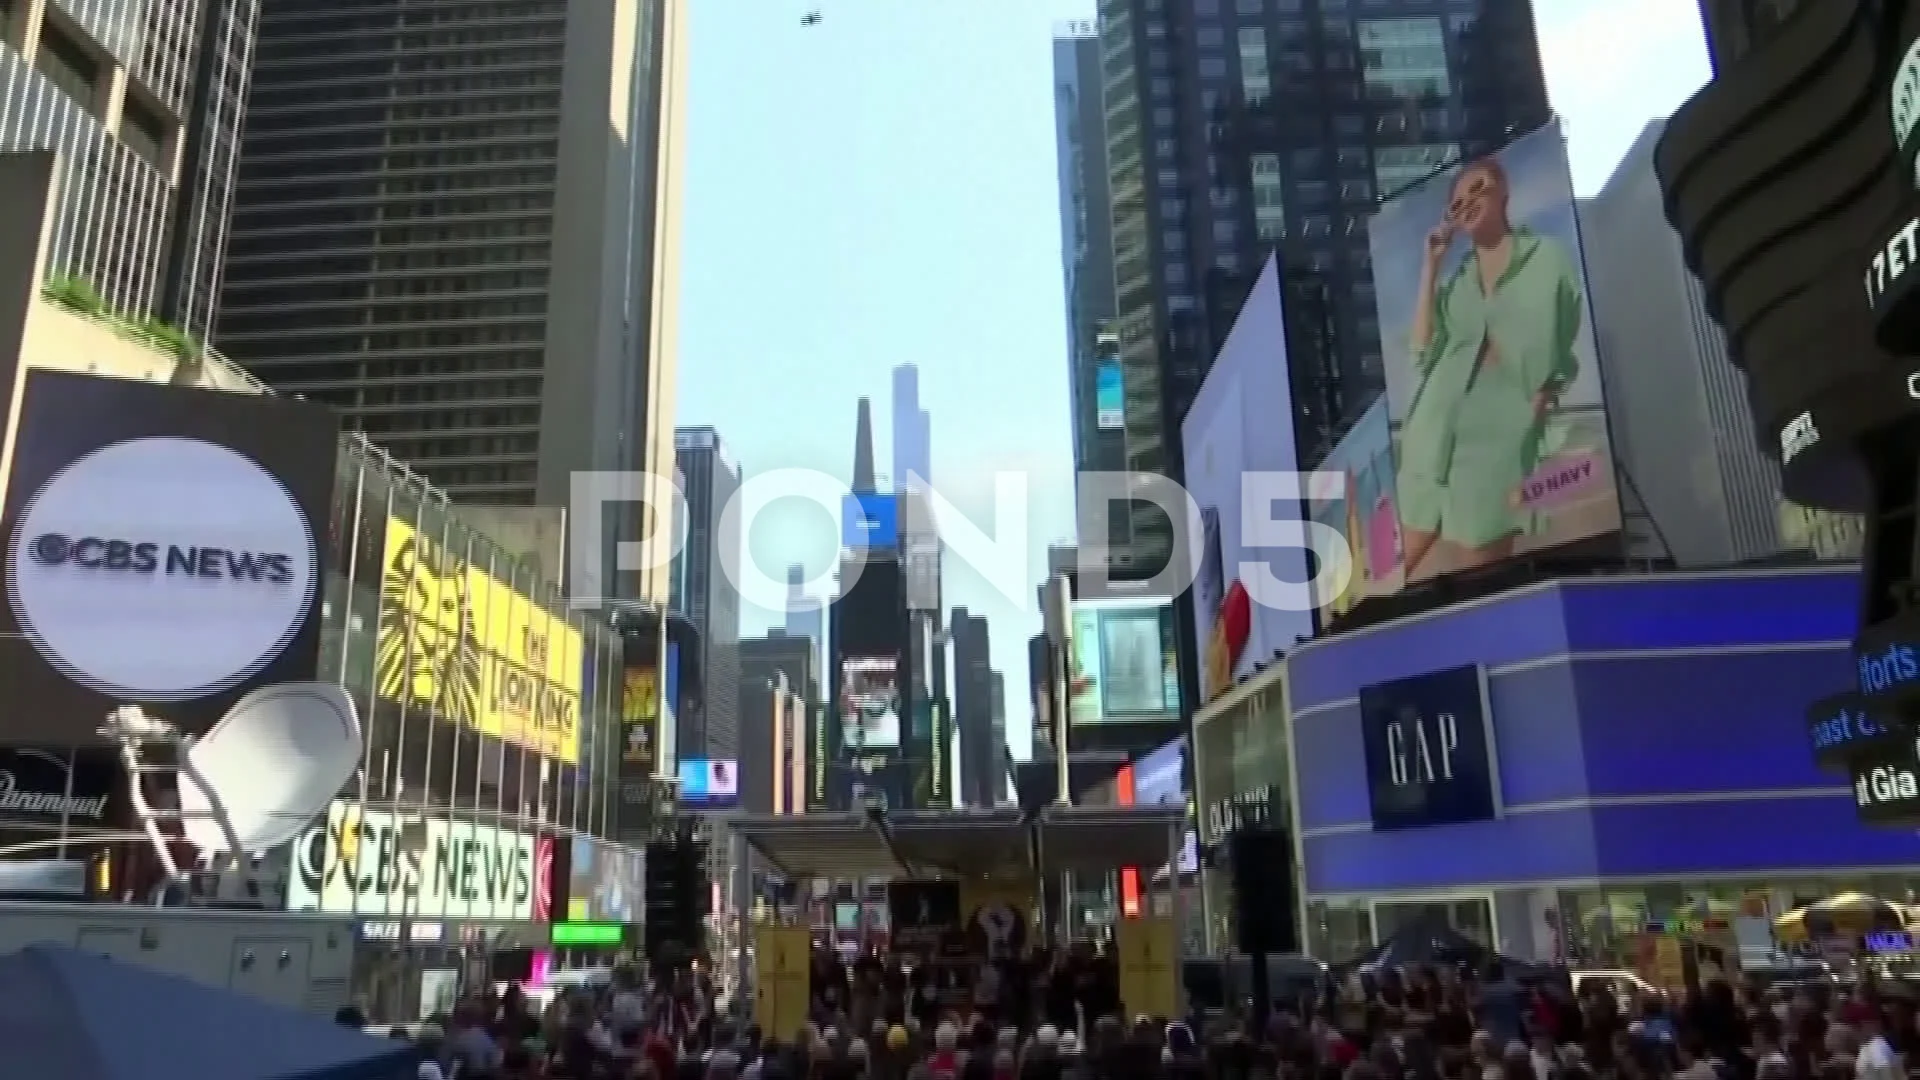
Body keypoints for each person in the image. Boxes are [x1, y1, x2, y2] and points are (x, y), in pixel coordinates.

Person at [1397, 154, 1585, 580]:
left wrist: (1527, 427)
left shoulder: (1547, 258)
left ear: (1503, 190)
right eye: (1457, 203)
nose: (1467, 204)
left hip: (1494, 448)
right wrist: (1431, 268)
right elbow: (1422, 355)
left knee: (1479, 587)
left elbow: (1559, 345)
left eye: (1477, 190)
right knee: (1386, 581)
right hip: (1431, 440)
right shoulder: (1458, 280)